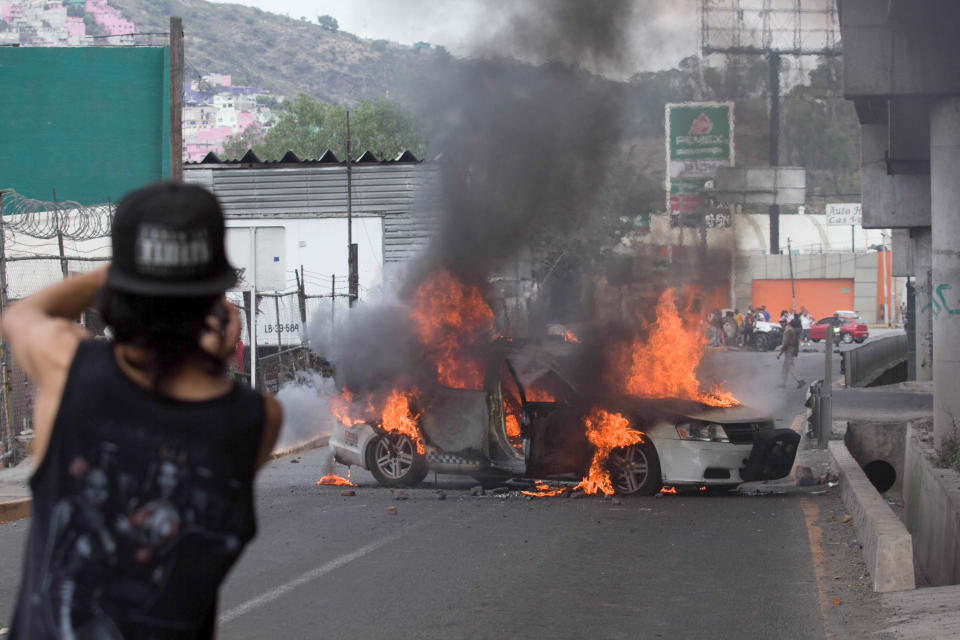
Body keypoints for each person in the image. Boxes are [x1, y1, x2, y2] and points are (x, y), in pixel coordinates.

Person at [1, 182, 282, 639]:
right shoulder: (256, 420)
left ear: (120, 289)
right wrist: (212, 358)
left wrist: (114, 271)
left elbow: (20, 316)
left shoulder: (68, 371)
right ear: (214, 299)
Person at [777, 316, 806, 389]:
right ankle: (782, 383)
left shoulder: (787, 330)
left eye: (782, 322)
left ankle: (800, 380)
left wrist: (780, 353)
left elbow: (785, 343)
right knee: (785, 367)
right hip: (792, 348)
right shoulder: (790, 329)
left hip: (789, 349)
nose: (781, 324)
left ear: (785, 323)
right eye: (781, 322)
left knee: (790, 366)